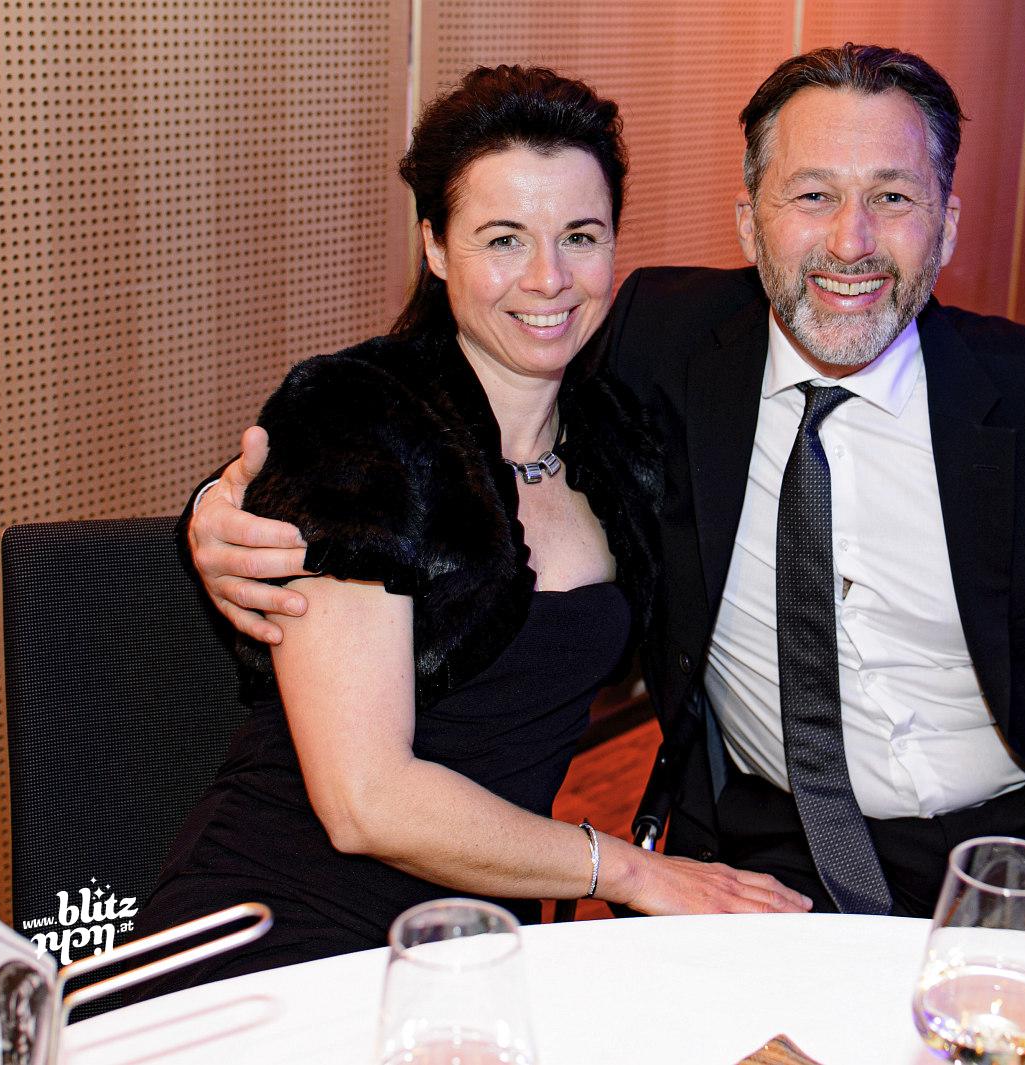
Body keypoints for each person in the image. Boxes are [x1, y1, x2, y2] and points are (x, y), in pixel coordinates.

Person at [187, 46, 1025, 947]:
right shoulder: (659, 352)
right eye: (812, 195)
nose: (851, 243)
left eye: (892, 197)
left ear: (948, 223)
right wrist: (223, 514)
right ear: (747, 222)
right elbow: (391, 427)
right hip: (767, 857)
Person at [134, 65, 809, 996]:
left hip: (475, 946)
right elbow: (366, 801)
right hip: (279, 926)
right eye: (504, 239)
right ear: (436, 246)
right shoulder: (358, 424)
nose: (548, 279)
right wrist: (632, 870)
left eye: (581, 237)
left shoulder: (621, 441)